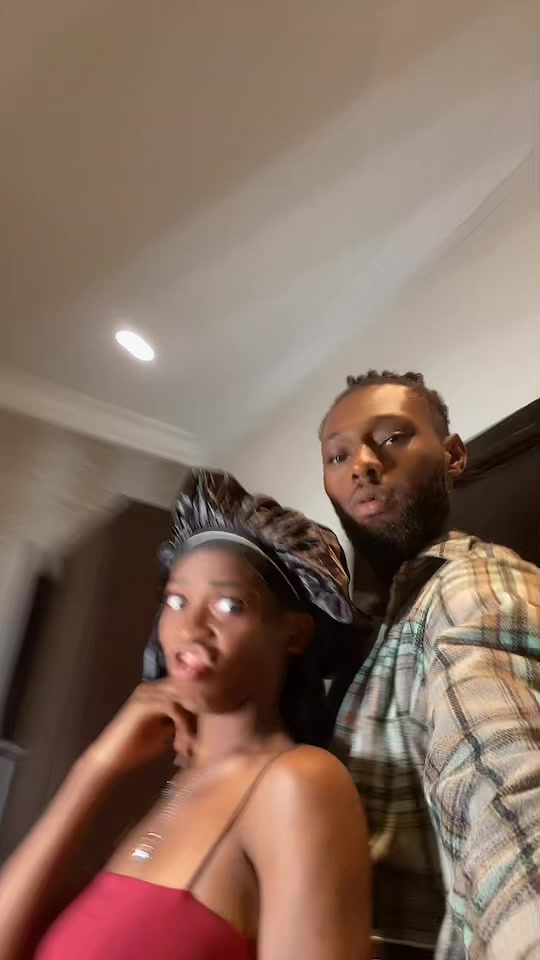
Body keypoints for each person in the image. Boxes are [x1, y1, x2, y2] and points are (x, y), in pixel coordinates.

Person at [0, 470, 371, 960]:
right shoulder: (178, 785)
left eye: (228, 605)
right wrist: (93, 770)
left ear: (295, 633)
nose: (189, 628)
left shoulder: (299, 784)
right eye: (176, 601)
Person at [320, 370, 540, 960]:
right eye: (338, 456)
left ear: (453, 456)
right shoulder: (369, 635)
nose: (362, 464)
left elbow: (504, 783)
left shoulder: (475, 582)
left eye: (391, 438)